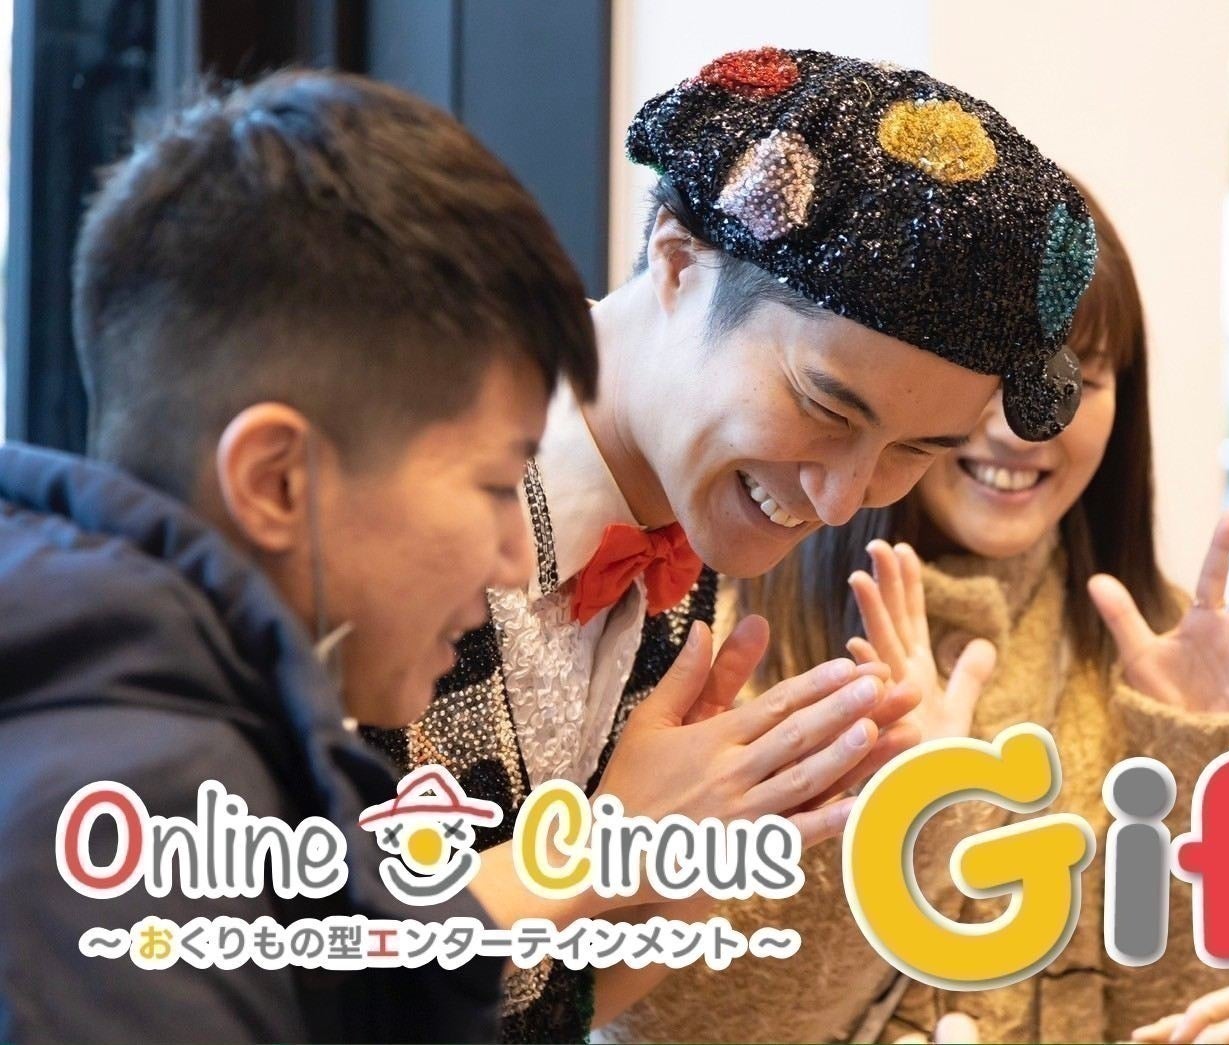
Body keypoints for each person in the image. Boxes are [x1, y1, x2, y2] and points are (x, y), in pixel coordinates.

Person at [0, 70, 887, 1043]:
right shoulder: (140, 803)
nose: (512, 558)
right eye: (494, 482)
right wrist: (598, 849)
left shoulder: (202, 734)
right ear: (276, 480)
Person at [369, 47, 1101, 1041]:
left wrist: (703, 865)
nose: (842, 500)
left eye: (914, 451)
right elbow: (253, 966)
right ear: (677, 261)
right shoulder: (387, 481)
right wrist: (604, 847)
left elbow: (553, 1002)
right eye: (825, 407)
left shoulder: (689, 547)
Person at [606, 187, 1229, 1044]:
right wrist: (908, 821)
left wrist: (1198, 766)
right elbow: (661, 1020)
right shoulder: (719, 628)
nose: (1022, 434)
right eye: (990, 385)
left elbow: (1227, 1009)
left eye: (1074, 384)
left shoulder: (1155, 643)